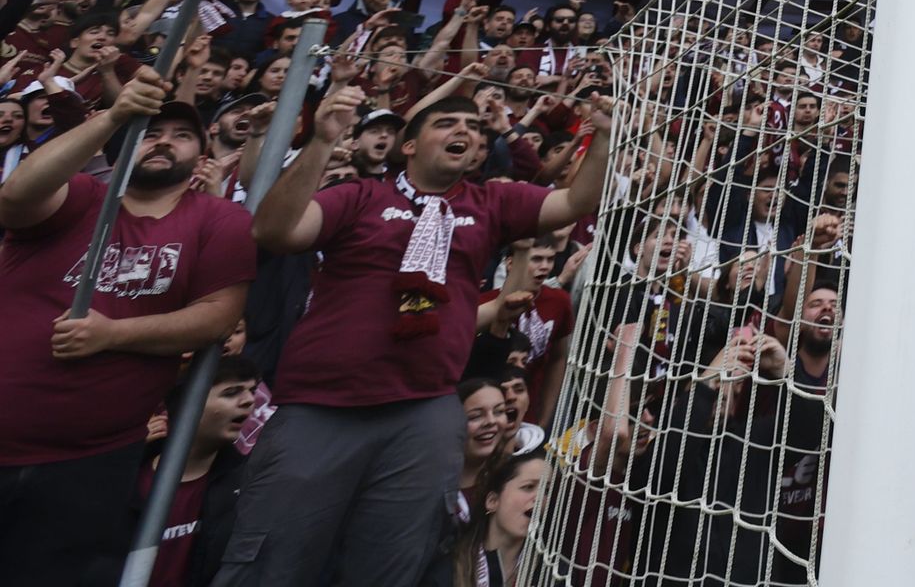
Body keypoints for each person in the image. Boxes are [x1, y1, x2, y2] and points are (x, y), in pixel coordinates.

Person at [208, 86, 612, 587]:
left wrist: (605, 136)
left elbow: (576, 200)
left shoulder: (491, 203)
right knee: (273, 562)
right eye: (447, 123)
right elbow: (275, 232)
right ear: (410, 145)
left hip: (424, 411)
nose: (464, 130)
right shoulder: (360, 196)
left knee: (391, 568)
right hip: (323, 406)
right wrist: (321, 141)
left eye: (473, 127)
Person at [0, 67, 255, 587]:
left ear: (201, 155)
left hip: (88, 460)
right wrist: (115, 115)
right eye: (151, 132)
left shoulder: (218, 220)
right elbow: (15, 197)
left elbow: (217, 315)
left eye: (181, 135)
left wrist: (111, 334)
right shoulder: (82, 196)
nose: (164, 143)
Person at [136, 355, 265, 587]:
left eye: (252, 390)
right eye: (231, 392)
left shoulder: (245, 484)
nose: (248, 401)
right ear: (187, 402)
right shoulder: (128, 475)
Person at [451, 449, 546, 587]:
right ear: (493, 501)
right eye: (528, 487)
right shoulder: (448, 568)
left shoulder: (551, 574)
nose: (540, 498)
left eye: (547, 490)